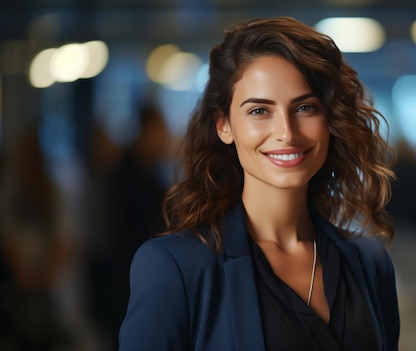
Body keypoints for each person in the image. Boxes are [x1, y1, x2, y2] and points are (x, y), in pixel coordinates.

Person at [118, 16, 400, 351]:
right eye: (259, 111)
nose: (287, 132)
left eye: (306, 107)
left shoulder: (369, 262)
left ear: (330, 120)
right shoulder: (175, 268)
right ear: (224, 126)